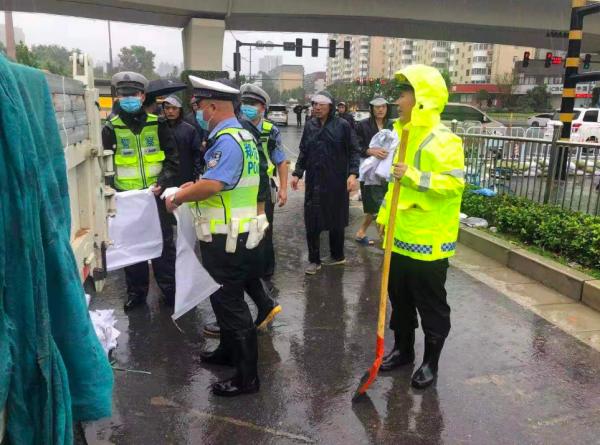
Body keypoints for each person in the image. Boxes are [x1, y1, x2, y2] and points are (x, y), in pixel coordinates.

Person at [165, 76, 267, 397]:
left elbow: (214, 185)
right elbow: (216, 179)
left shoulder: (227, 140)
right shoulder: (242, 136)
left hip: (226, 236)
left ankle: (247, 377)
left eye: (198, 107)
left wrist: (180, 197)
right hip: (232, 233)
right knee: (222, 297)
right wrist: (191, 187)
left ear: (212, 106)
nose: (197, 112)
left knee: (230, 302)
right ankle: (227, 350)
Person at [375, 65, 465, 389]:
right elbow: (393, 188)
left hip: (429, 242)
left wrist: (412, 175)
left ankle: (431, 362)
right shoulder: (405, 135)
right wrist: (384, 219)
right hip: (400, 237)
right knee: (399, 298)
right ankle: (402, 350)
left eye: (404, 94)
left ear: (422, 98)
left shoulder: (445, 140)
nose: (398, 101)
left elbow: (454, 184)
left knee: (431, 305)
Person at [202, 83, 285, 338]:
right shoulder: (235, 128)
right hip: (246, 203)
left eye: (254, 103)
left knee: (242, 262)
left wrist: (262, 207)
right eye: (246, 101)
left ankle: (238, 324)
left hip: (247, 205)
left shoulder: (239, 131)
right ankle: (262, 306)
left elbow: (261, 168)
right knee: (246, 262)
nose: (249, 107)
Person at [102, 71, 179, 311]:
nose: (129, 98)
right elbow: (103, 167)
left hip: (154, 197)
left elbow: (173, 159)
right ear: (117, 96)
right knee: (132, 247)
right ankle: (136, 293)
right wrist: (111, 191)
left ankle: (170, 291)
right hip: (126, 200)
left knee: (164, 246)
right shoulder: (110, 128)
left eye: (133, 94)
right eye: (124, 95)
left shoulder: (158, 124)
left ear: (142, 95)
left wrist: (163, 182)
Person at [291, 91, 361, 275]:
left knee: (336, 219)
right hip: (314, 181)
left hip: (337, 180)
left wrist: (353, 174)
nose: (317, 107)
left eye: (322, 104)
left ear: (331, 106)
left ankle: (337, 256)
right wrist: (297, 173)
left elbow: (354, 150)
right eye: (314, 103)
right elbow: (304, 151)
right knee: (312, 219)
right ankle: (314, 260)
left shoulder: (343, 126)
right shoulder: (310, 126)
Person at [355, 95, 393, 245]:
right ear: (372, 109)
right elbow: (356, 146)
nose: (380, 109)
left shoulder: (392, 125)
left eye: (383, 106)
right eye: (377, 107)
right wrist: (370, 151)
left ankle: (362, 232)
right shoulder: (362, 125)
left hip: (387, 169)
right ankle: (384, 240)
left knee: (382, 202)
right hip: (370, 171)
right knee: (377, 204)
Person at [163, 95, 203, 184]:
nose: (170, 111)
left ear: (180, 110)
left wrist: (197, 174)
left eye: (174, 108)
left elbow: (196, 154)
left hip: (186, 174)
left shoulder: (190, 129)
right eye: (167, 108)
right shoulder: (160, 128)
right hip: (165, 175)